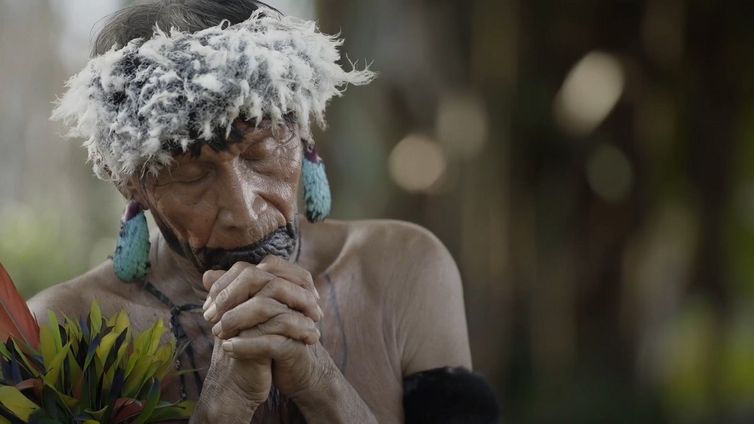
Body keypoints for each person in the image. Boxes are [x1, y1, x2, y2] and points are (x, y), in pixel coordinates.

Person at [28, 0, 499, 422]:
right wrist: (222, 406)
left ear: (305, 133)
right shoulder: (64, 329)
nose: (245, 213)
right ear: (130, 183)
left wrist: (317, 381)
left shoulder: (404, 269)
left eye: (261, 155)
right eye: (193, 177)